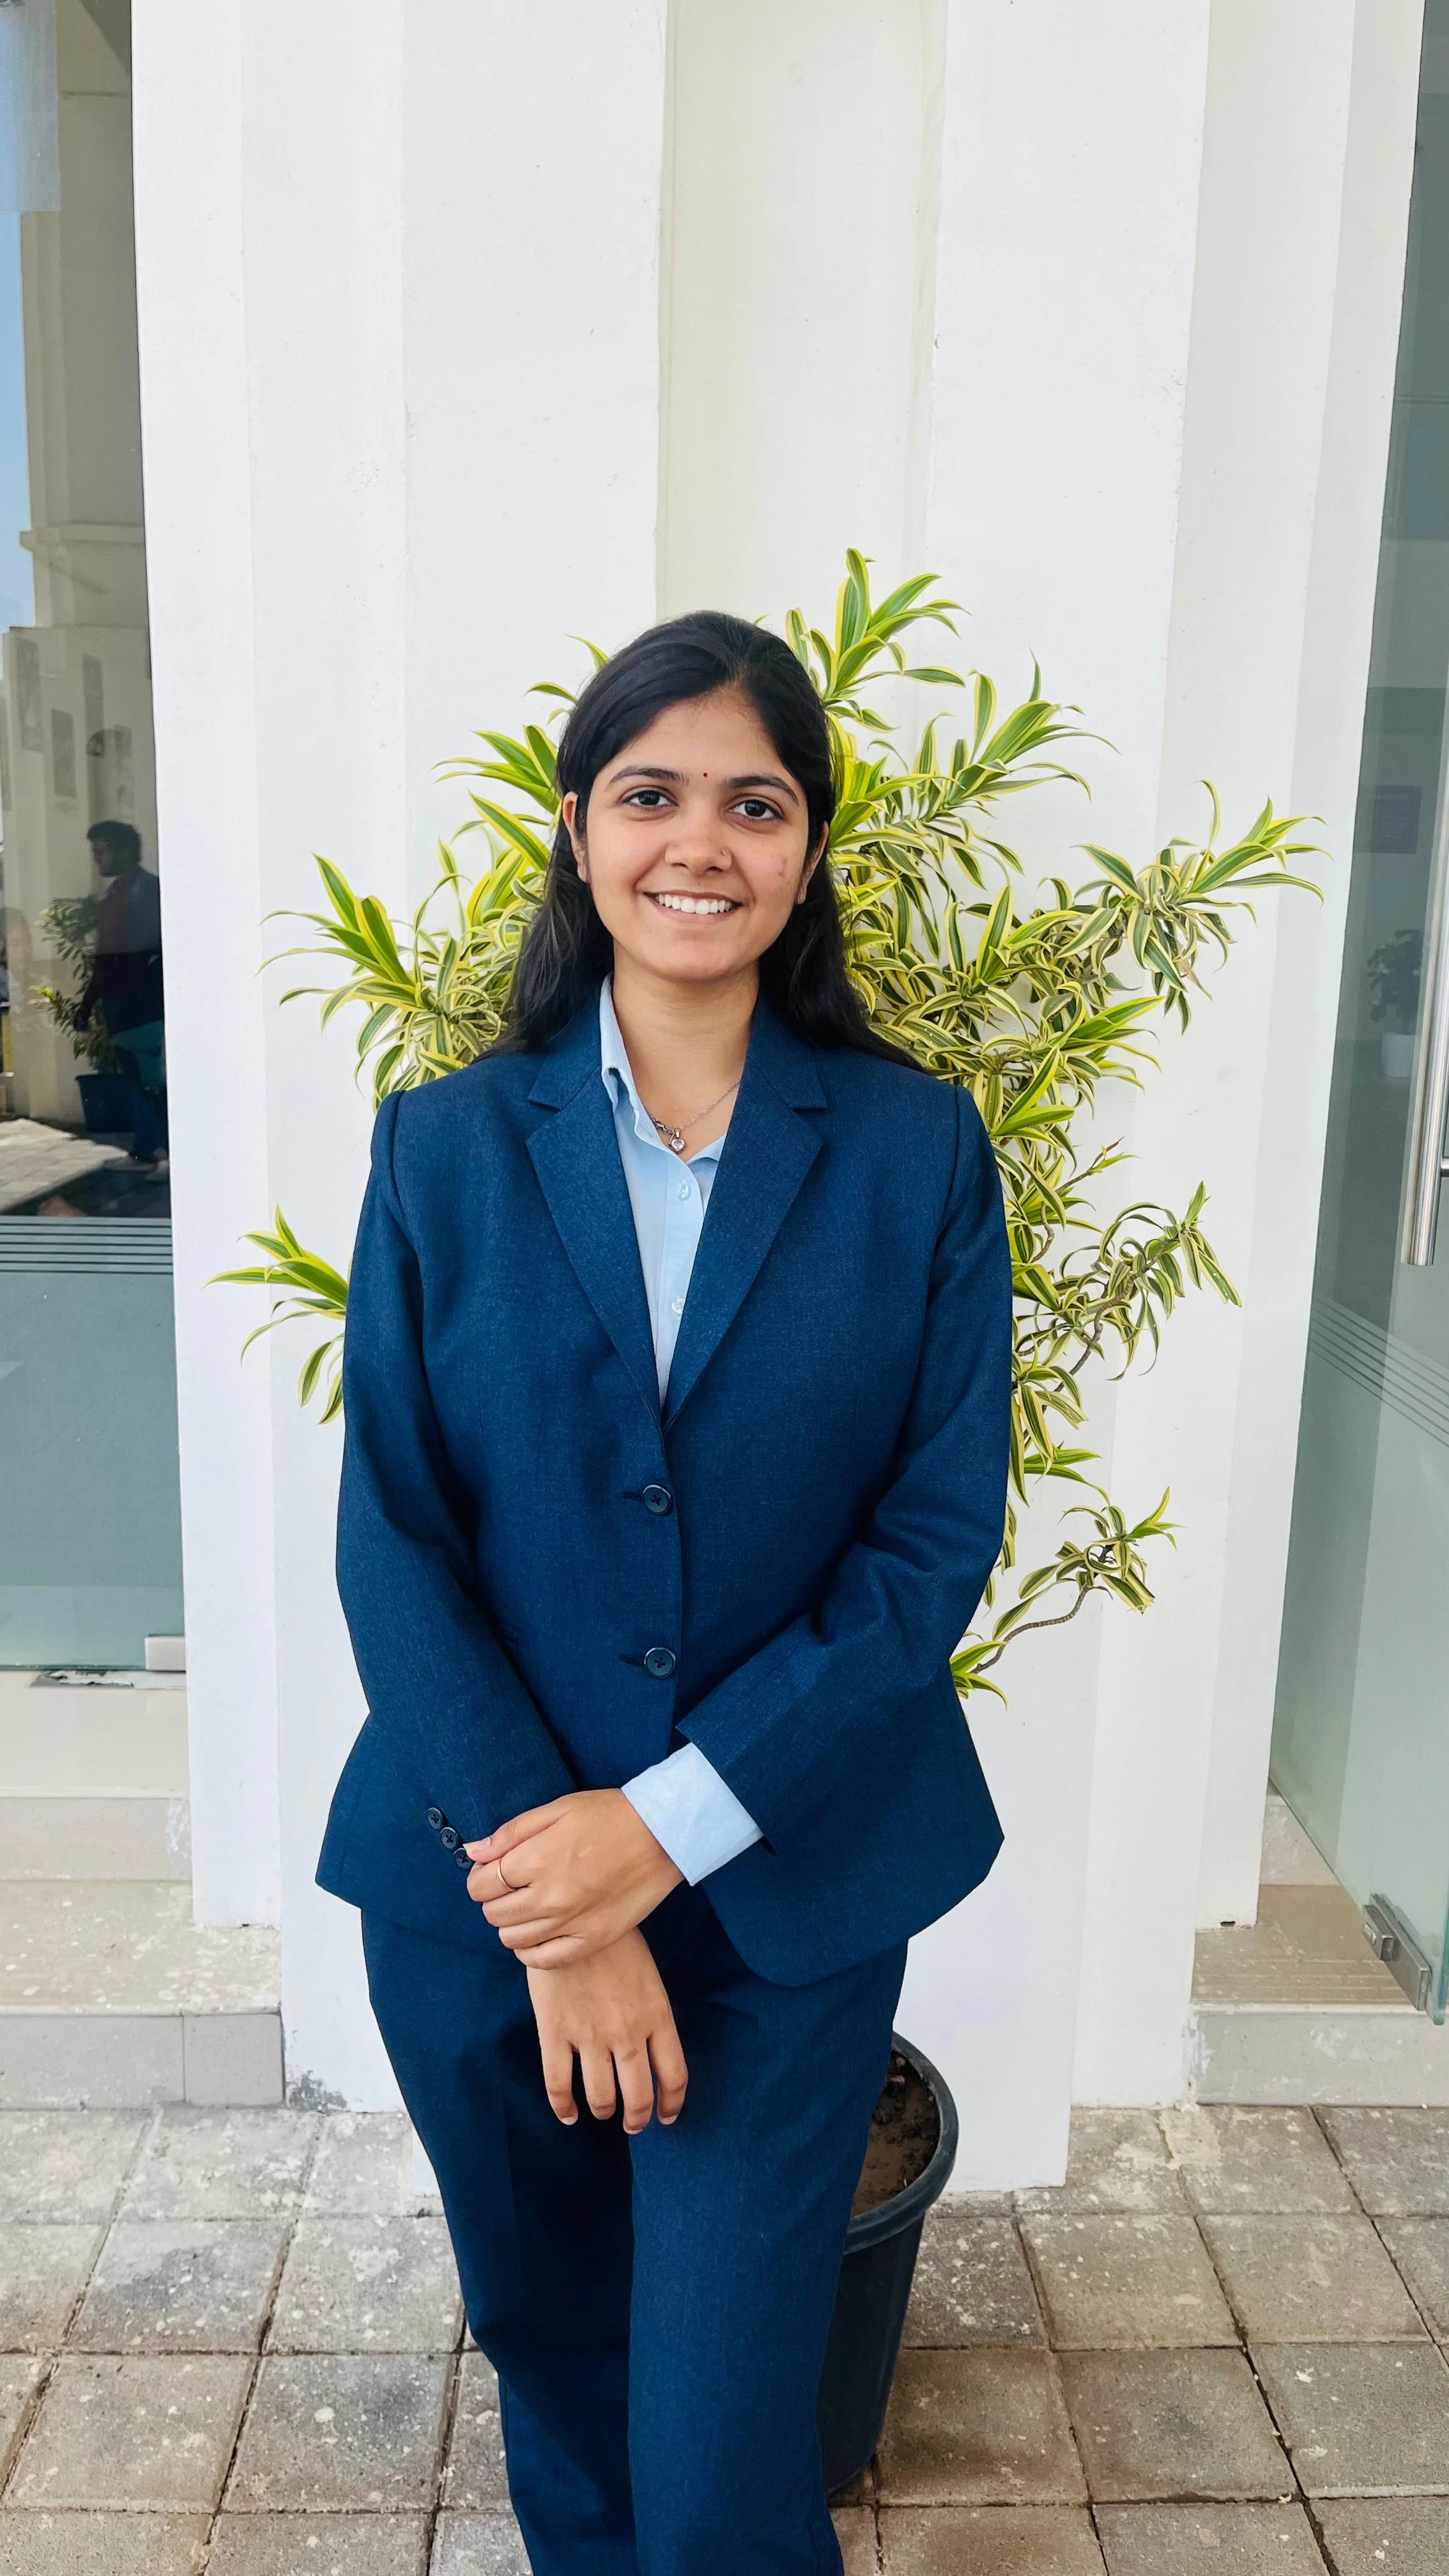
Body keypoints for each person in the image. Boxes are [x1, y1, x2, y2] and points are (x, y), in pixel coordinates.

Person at [318, 613, 1013, 2575]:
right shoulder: (444, 1149)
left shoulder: (913, 1154)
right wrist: (561, 1892)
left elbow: (929, 1546)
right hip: (480, 1901)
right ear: (577, 827)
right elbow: (397, 1534)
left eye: (754, 799)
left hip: (787, 1897)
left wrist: (663, 1835)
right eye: (650, 791)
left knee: (716, 2472)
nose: (698, 840)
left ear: (805, 852)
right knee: (553, 2366)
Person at [76, 818, 167, 1168]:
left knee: (150, 1080)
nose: (98, 861)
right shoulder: (118, 894)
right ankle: (148, 1149)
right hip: (122, 1002)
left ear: (125, 851)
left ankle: (162, 1153)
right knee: (138, 1079)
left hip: (140, 1004)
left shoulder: (146, 892)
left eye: (102, 852)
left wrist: (87, 1003)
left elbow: (115, 955)